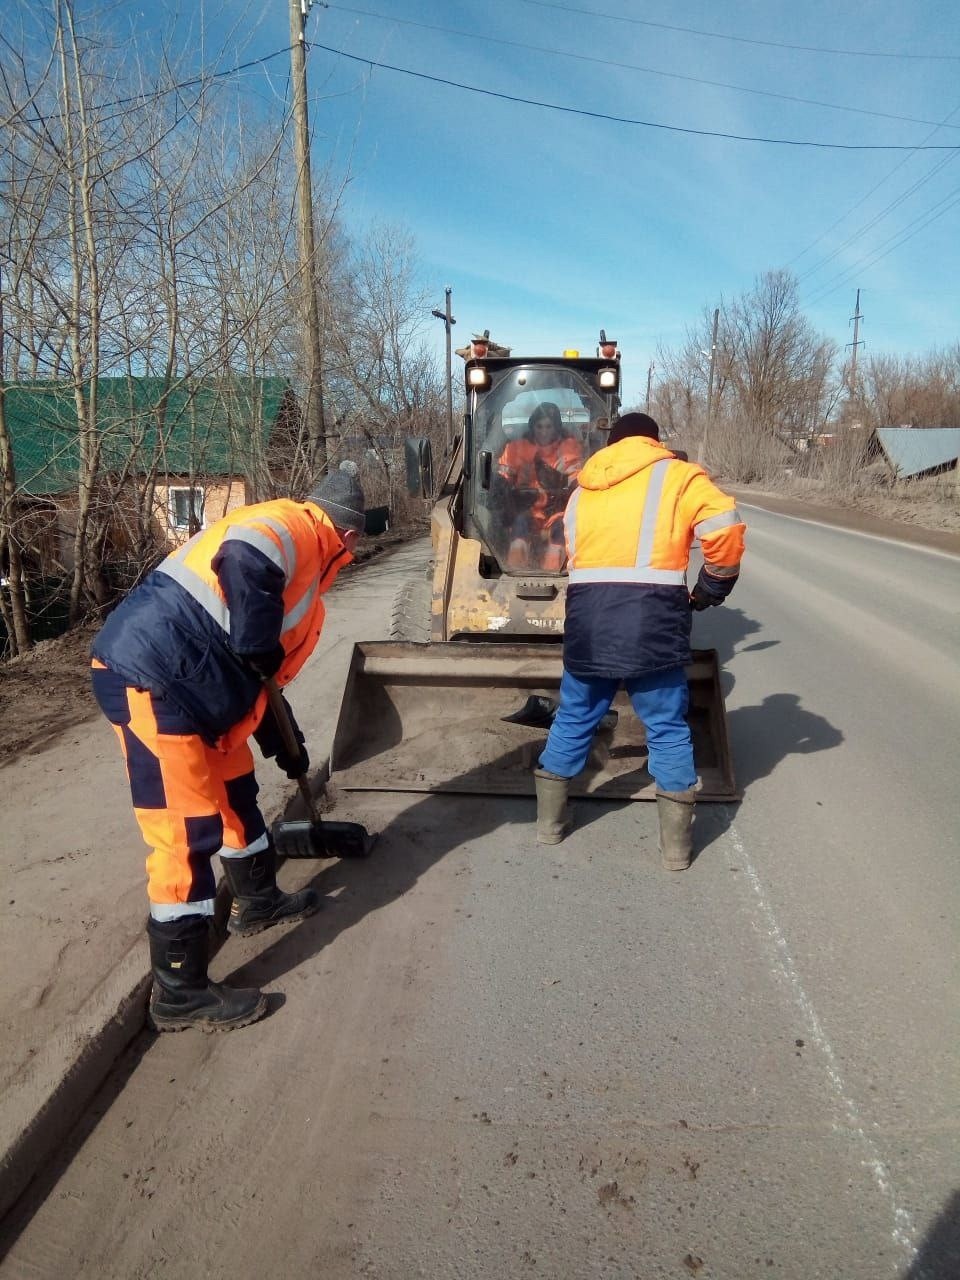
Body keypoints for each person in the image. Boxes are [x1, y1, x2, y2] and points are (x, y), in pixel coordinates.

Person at [89, 471, 366, 1032]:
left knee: (238, 792)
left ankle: (256, 900)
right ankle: (179, 990)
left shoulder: (312, 563)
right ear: (350, 533)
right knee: (186, 831)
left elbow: (263, 672)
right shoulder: (293, 525)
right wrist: (256, 642)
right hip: (155, 680)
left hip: (201, 689)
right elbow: (246, 561)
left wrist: (279, 736)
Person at [533, 412, 745, 870]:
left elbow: (572, 557)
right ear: (654, 441)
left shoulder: (582, 489)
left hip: (589, 619)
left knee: (573, 716)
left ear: (611, 444)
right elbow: (724, 527)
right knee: (666, 727)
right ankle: (676, 851)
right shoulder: (680, 477)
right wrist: (713, 585)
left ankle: (550, 826)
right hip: (654, 620)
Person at [497, 402, 583, 569]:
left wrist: (566, 477)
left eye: (549, 426)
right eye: (539, 426)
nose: (544, 431)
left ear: (557, 427)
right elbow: (504, 475)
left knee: (559, 534)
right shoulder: (516, 449)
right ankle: (514, 574)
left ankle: (552, 576)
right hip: (526, 510)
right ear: (532, 426)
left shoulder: (568, 448)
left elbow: (576, 475)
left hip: (557, 512)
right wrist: (504, 481)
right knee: (518, 528)